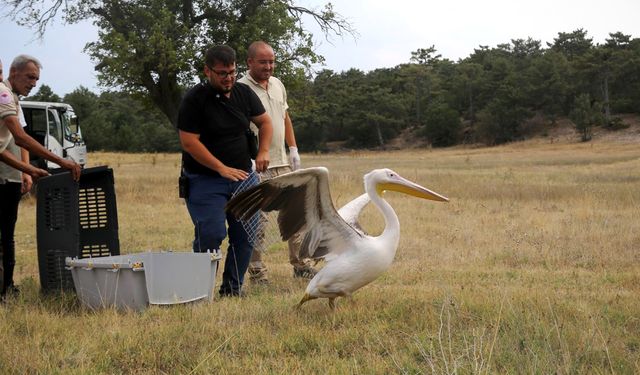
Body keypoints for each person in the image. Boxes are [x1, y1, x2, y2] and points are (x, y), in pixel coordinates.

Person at [177, 45, 273, 297]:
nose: (228, 77)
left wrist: (263, 151)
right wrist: (221, 169)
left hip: (243, 177)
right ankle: (199, 291)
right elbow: (189, 142)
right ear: (207, 71)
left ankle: (232, 289)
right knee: (211, 233)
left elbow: (264, 122)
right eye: (222, 73)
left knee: (246, 235)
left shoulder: (243, 93)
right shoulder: (194, 99)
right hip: (205, 179)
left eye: (232, 71)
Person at [238, 41, 317, 283]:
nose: (268, 66)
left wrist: (293, 149)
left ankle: (301, 265)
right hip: (256, 165)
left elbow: (284, 117)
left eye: (271, 61)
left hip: (282, 162)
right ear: (249, 62)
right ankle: (257, 273)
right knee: (257, 222)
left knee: (297, 213)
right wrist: (247, 157)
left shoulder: (278, 84)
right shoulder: (240, 88)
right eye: (263, 62)